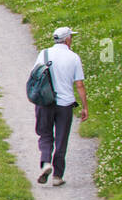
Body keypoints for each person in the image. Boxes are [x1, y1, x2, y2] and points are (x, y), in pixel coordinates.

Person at [34, 26, 87, 186]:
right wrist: (85, 106)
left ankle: (45, 163)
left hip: (45, 102)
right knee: (62, 139)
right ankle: (57, 176)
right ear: (67, 39)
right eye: (71, 37)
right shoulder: (74, 57)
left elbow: (35, 75)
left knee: (45, 134)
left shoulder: (44, 54)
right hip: (65, 104)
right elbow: (79, 84)